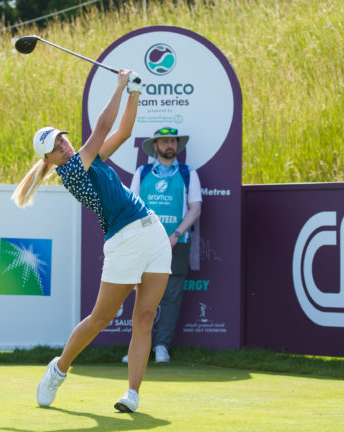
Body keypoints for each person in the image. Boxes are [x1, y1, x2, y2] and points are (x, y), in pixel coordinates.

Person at [11, 70, 171, 413]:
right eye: (55, 147)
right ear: (49, 161)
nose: (62, 145)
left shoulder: (92, 158)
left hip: (153, 232)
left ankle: (132, 394)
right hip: (124, 240)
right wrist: (118, 85)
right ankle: (59, 369)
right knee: (100, 319)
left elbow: (123, 132)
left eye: (62, 139)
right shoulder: (70, 172)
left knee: (145, 318)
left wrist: (134, 93)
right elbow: (100, 130)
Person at [123, 127, 202, 363]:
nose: (170, 145)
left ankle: (161, 346)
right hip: (146, 244)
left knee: (172, 296)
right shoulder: (143, 172)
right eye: (164, 141)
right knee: (142, 296)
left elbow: (195, 208)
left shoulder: (189, 173)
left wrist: (176, 235)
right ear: (155, 146)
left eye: (173, 141)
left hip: (177, 243)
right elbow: (131, 206)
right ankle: (139, 348)